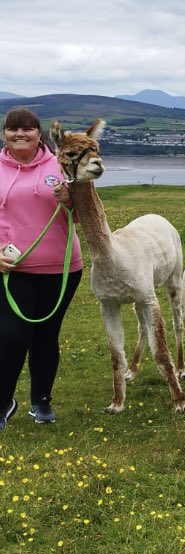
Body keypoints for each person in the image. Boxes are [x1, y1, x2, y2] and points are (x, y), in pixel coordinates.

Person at [0, 108, 83, 429]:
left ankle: (41, 402)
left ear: (39, 134)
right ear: (5, 134)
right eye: (12, 129)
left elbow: (82, 216)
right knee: (11, 336)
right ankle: (4, 402)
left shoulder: (61, 165)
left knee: (46, 336)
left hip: (60, 270)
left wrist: (73, 198)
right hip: (12, 270)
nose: (19, 134)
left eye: (27, 129)